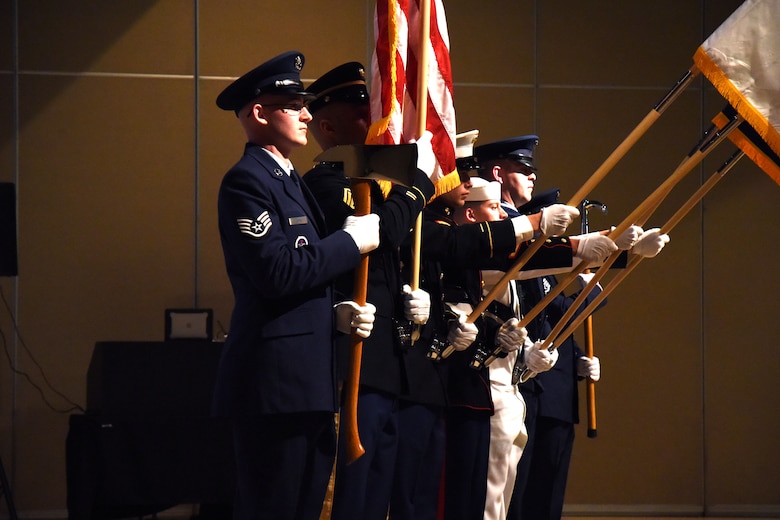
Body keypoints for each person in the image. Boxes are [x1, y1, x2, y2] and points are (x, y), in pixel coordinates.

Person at [211, 51, 381, 520]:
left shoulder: (287, 179)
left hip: (306, 380)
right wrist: (348, 242)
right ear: (259, 113)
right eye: (293, 103)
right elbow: (278, 273)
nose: (308, 113)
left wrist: (334, 313)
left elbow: (301, 271)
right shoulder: (246, 181)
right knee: (274, 507)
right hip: (273, 385)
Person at [474, 135, 668, 520]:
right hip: (503, 371)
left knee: (537, 491)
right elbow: (537, 275)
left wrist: (620, 255)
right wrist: (611, 249)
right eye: (523, 169)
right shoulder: (506, 227)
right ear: (497, 173)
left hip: (539, 379)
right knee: (501, 493)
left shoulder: (518, 226)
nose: (531, 176)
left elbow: (574, 291)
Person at [302, 61, 437, 520]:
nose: (382, 121)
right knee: (349, 497)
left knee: (379, 498)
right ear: (328, 126)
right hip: (352, 360)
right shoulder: (325, 182)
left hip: (387, 364)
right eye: (365, 112)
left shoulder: (376, 187)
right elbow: (386, 232)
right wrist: (417, 186)